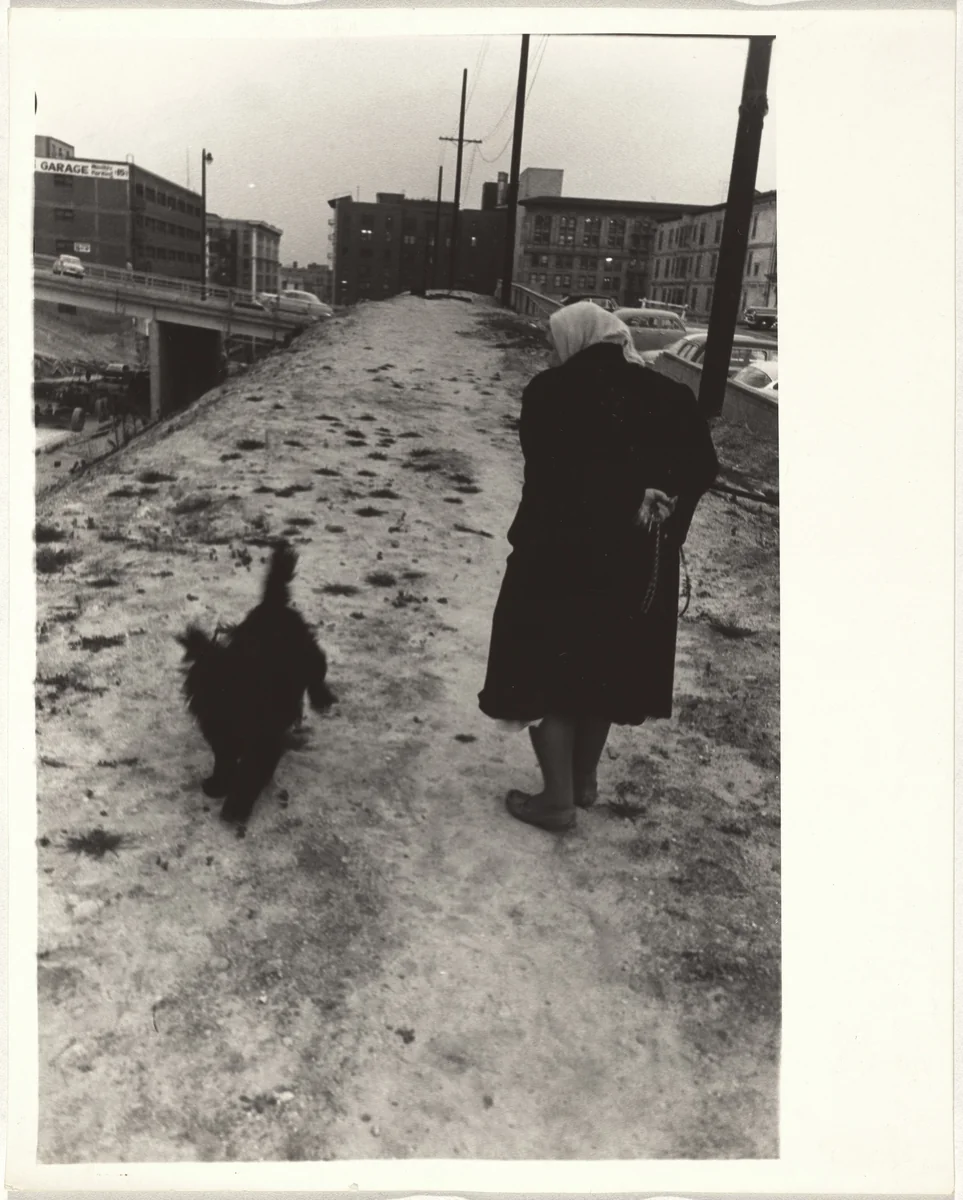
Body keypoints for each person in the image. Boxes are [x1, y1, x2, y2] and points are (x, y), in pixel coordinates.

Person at [478, 301, 719, 832]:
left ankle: (557, 801)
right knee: (602, 669)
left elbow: (548, 475)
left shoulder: (549, 392)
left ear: (575, 340)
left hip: (557, 558)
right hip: (634, 565)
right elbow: (703, 466)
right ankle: (584, 782)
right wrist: (661, 516)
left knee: (549, 673)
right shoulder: (670, 395)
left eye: (553, 341)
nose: (550, 350)